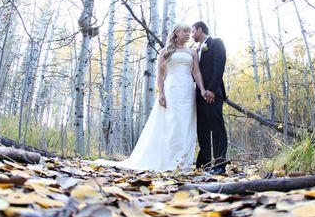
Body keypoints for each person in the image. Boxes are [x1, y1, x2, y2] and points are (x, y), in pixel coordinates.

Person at [94, 23, 207, 172]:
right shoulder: (165, 51)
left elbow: (196, 73)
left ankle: (184, 163)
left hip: (187, 91)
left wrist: (202, 89)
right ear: (176, 33)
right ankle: (170, 162)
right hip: (172, 89)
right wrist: (161, 93)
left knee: (186, 125)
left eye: (189, 31)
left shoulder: (192, 52)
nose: (188, 34)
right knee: (172, 124)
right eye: (185, 31)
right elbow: (160, 75)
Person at [191, 21, 228, 175]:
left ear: (200, 30)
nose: (192, 35)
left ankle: (220, 164)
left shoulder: (216, 43)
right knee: (202, 129)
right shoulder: (195, 50)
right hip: (199, 94)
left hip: (213, 93)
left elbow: (219, 66)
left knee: (217, 128)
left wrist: (211, 90)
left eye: (193, 31)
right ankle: (204, 164)